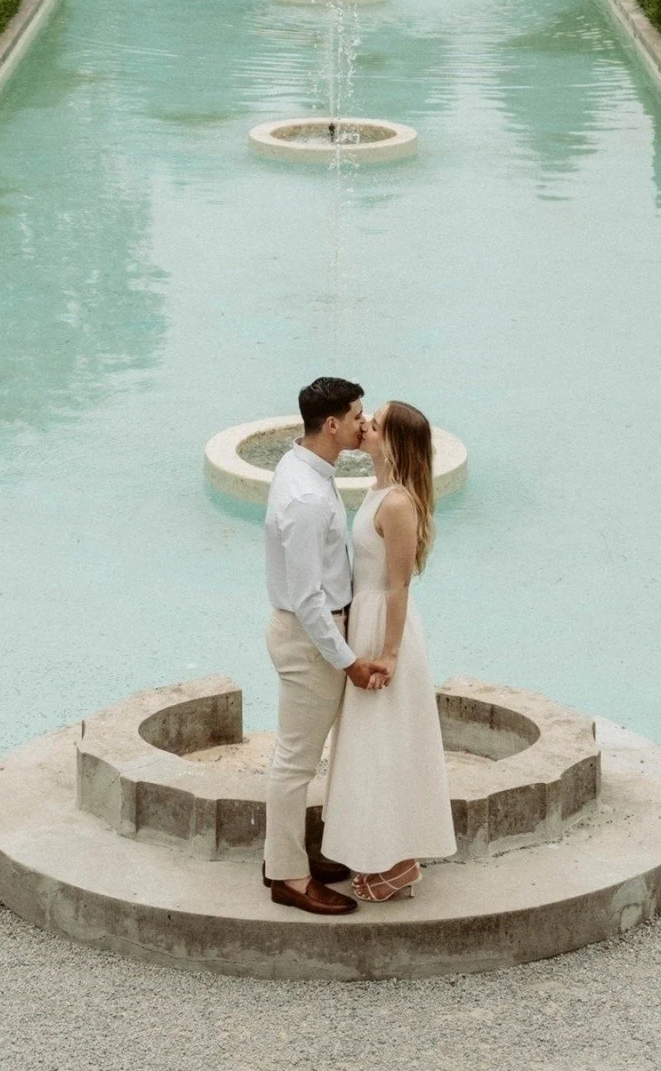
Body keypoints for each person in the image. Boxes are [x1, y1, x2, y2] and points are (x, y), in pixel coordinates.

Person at [319, 401, 455, 901]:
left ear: (392, 443)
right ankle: (384, 852)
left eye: (374, 425)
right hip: (365, 620)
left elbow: (399, 585)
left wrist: (391, 653)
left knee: (389, 744)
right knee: (371, 745)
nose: (364, 428)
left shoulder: (397, 503)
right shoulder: (376, 491)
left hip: (384, 627)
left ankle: (403, 863)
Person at [263, 376, 386, 916]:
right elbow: (307, 598)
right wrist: (349, 661)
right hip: (311, 639)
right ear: (332, 424)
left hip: (312, 633)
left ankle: (284, 855)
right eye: (358, 415)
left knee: (296, 757)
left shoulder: (303, 467)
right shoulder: (308, 498)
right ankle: (288, 877)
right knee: (295, 763)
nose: (365, 423)